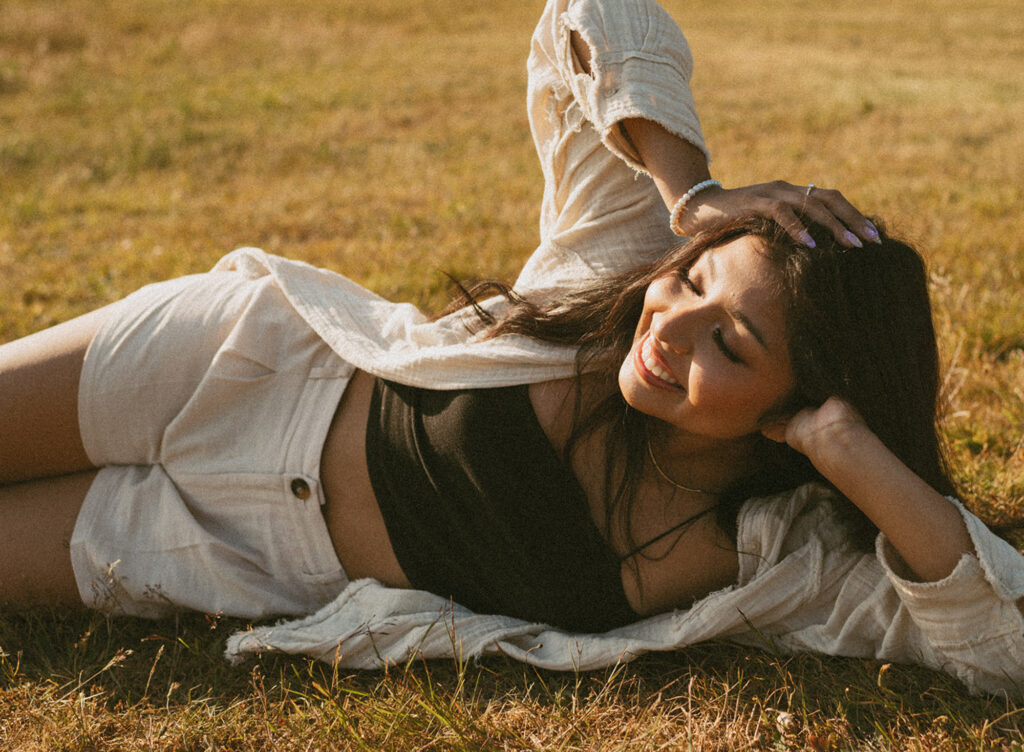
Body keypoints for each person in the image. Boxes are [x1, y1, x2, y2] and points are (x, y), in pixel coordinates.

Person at [2, 0, 1023, 695]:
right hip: (231, 369)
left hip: (213, 550)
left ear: (797, 408)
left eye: (733, 342)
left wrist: (857, 456)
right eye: (695, 274)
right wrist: (692, 196)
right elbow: (587, 13)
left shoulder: (780, 550)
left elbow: (998, 649)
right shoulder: (612, 276)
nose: (667, 322)